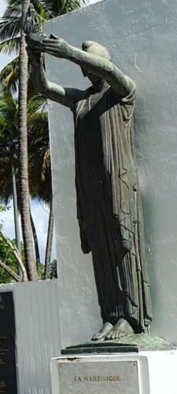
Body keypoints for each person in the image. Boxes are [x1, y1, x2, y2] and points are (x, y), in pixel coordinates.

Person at [28, 33, 152, 341]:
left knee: (124, 249)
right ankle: (111, 315)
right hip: (91, 187)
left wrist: (68, 51)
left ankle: (131, 316)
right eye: (84, 67)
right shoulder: (81, 100)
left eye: (89, 64)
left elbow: (112, 74)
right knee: (101, 254)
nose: (86, 71)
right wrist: (35, 55)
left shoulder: (122, 93)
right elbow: (44, 89)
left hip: (118, 185)